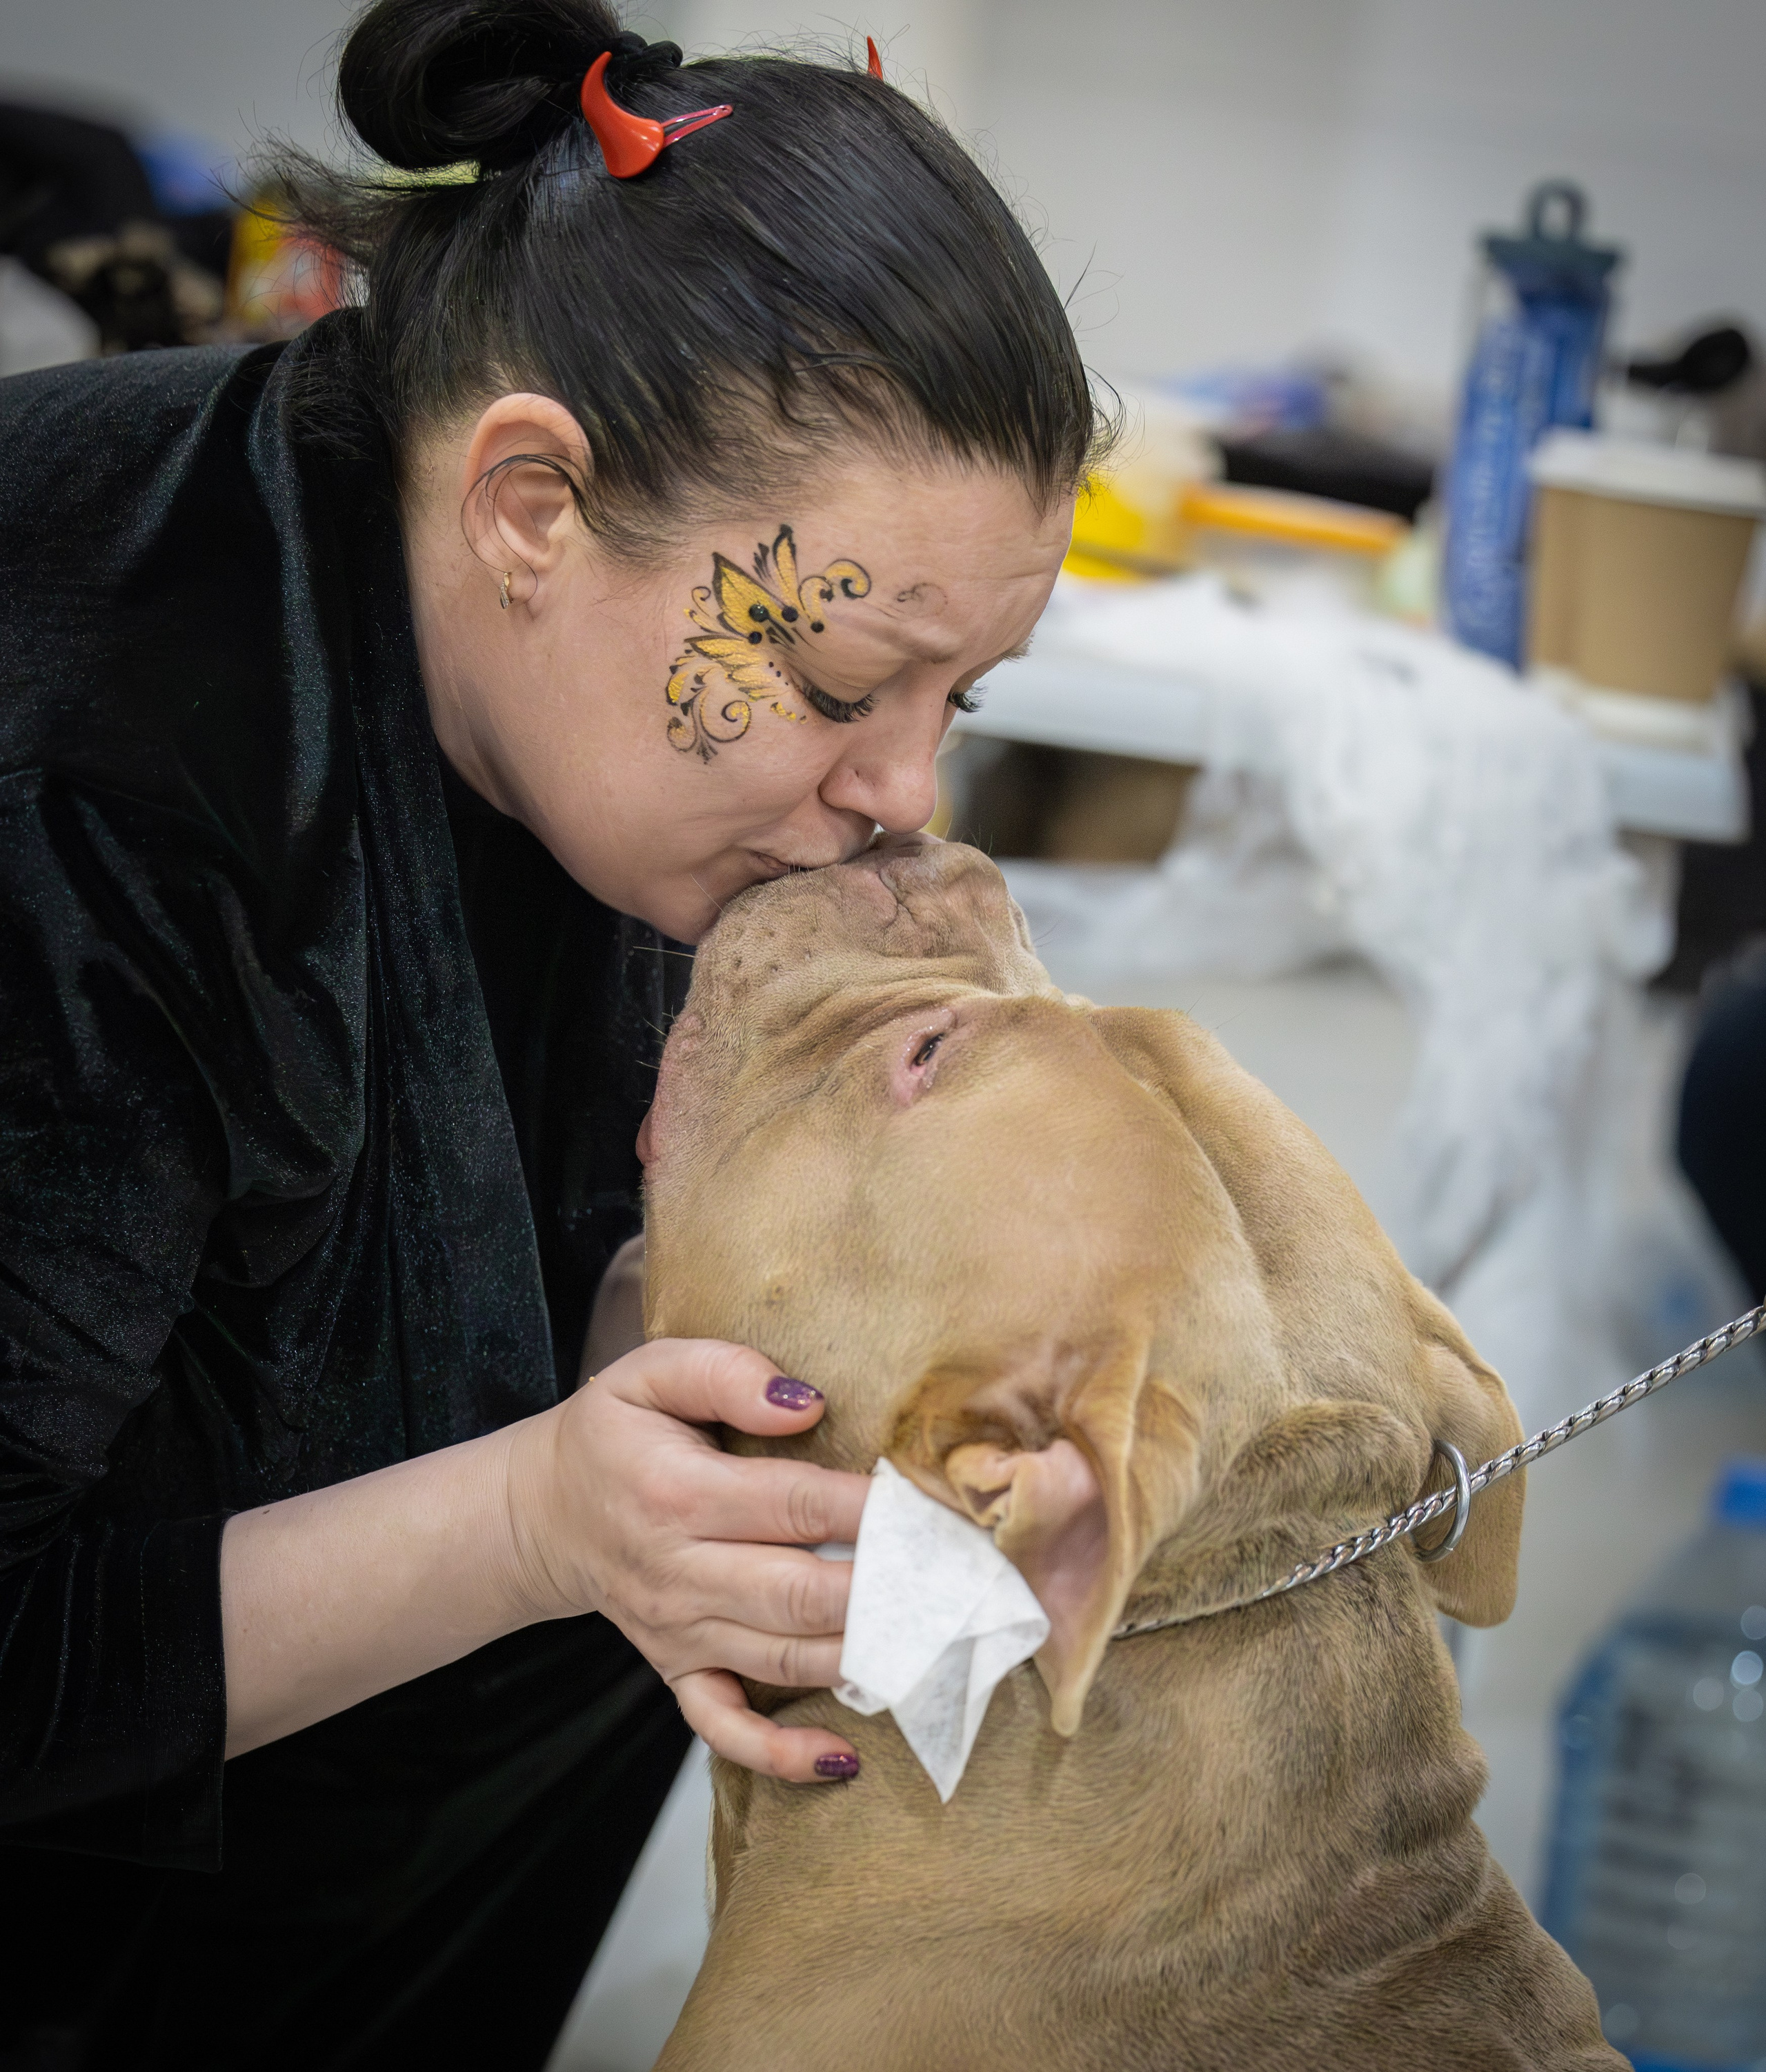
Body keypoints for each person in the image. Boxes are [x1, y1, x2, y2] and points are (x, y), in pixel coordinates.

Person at [0, 3, 1104, 2066]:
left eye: (969, 699)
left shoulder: (623, 728)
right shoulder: (93, 757)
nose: (908, 794)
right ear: (530, 503)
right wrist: (531, 1518)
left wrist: (643, 1305)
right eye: (851, 677)